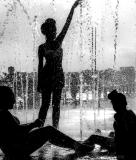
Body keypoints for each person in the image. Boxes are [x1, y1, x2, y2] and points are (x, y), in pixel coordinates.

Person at [0, 86, 94, 158]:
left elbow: (14, 130)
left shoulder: (4, 113)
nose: (14, 100)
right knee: (48, 131)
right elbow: (17, 131)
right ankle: (77, 146)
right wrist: (33, 125)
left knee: (48, 131)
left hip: (13, 148)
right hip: (16, 150)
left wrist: (31, 125)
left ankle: (76, 145)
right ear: (3, 99)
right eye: (11, 96)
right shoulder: (2, 114)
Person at [37, 0, 82, 128]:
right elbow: (40, 66)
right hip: (49, 77)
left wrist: (73, 8)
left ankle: (54, 130)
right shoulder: (44, 47)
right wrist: (39, 83)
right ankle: (40, 129)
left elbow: (67, 24)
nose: (56, 31)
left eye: (55, 29)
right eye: (53, 29)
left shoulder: (56, 43)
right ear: (48, 31)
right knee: (46, 105)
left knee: (55, 105)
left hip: (57, 77)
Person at [82, 90, 136, 160]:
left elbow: (123, 135)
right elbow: (129, 132)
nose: (114, 106)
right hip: (135, 144)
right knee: (111, 133)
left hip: (125, 147)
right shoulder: (130, 113)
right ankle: (103, 142)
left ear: (121, 104)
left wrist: (120, 153)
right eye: (113, 104)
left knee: (94, 137)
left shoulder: (119, 116)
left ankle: (82, 146)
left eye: (115, 104)